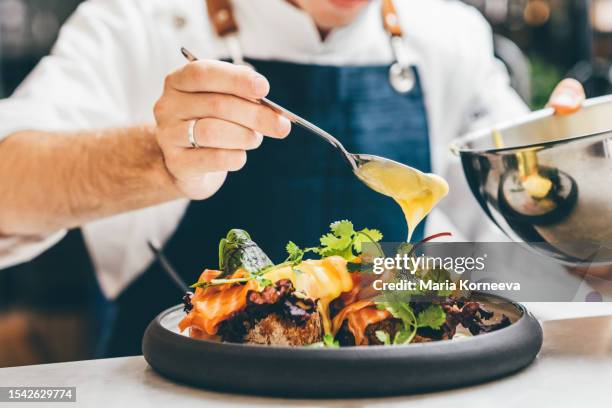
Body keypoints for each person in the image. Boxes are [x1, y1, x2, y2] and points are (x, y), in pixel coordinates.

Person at [0, 0, 586, 356]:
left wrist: (581, 192)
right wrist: (158, 158)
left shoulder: (449, 34)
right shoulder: (135, 21)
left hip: (400, 389)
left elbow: (529, 230)